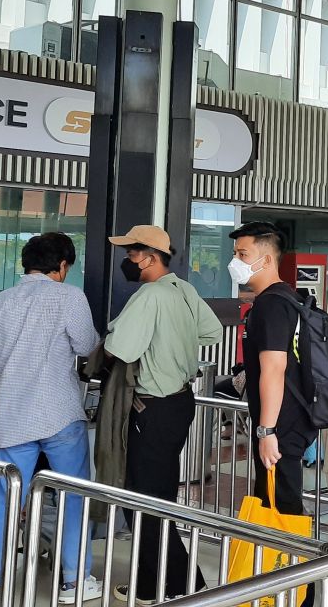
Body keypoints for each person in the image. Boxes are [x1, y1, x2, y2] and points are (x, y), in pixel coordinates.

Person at [0, 233, 103, 606]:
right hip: (59, 414)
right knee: (72, 495)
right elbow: (86, 345)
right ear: (62, 266)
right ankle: (73, 580)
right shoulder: (69, 296)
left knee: (7, 497)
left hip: (12, 416)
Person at [104, 226, 223, 603]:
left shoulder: (150, 295)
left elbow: (119, 347)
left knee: (141, 498)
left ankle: (177, 584)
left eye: (132, 253)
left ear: (151, 257)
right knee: (159, 496)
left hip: (151, 408)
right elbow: (213, 331)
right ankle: (151, 582)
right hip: (179, 403)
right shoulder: (184, 289)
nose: (127, 260)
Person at [226, 222, 318, 527]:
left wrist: (266, 431)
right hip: (288, 423)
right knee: (273, 509)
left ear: (265, 260)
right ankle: (287, 572)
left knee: (283, 514)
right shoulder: (287, 299)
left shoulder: (271, 305)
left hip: (280, 429)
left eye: (242, 254)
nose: (235, 262)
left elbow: (274, 368)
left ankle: (301, 574)